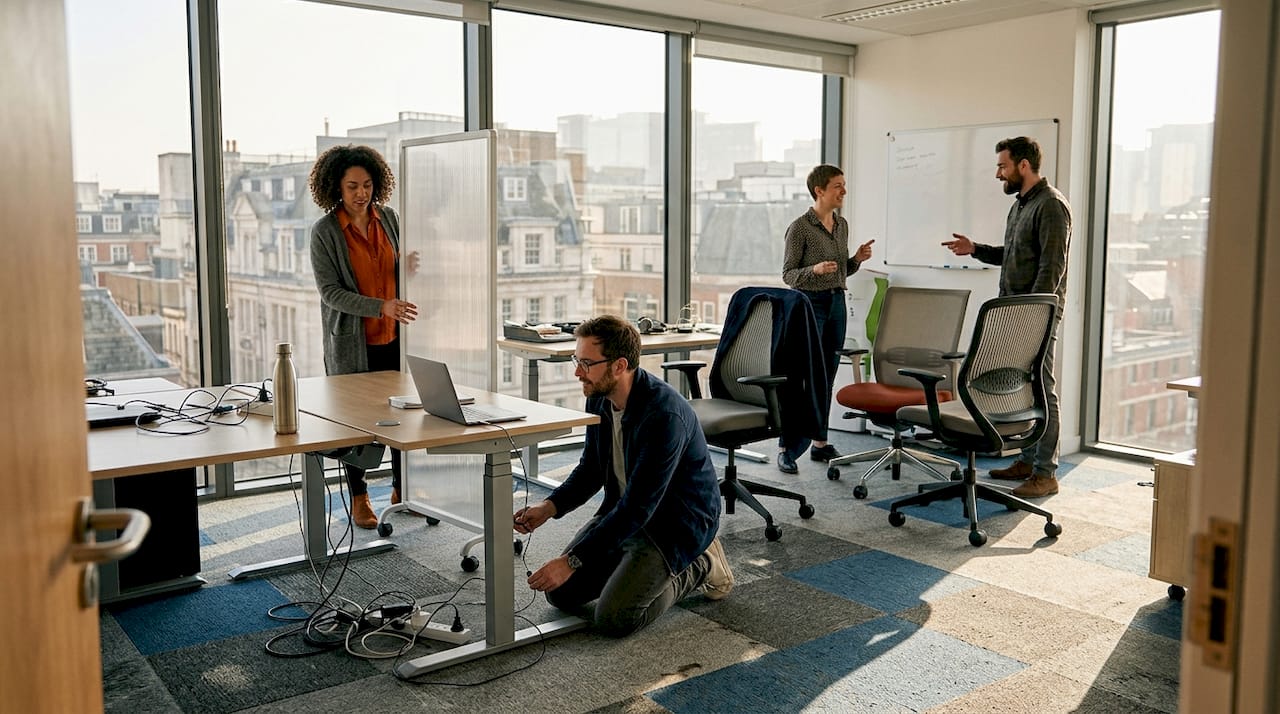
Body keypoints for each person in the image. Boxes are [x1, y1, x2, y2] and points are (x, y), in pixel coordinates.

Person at [512, 315, 733, 637]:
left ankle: (701, 565)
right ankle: (631, 565)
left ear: (619, 366)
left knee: (616, 619)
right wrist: (550, 507)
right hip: (626, 513)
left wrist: (572, 560)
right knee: (560, 595)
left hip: (674, 524)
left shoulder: (663, 415)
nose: (577, 372)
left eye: (586, 363)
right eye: (577, 360)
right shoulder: (599, 397)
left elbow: (639, 508)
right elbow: (591, 469)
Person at [942, 136, 1071, 498]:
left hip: (1035, 316)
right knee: (1023, 386)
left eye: (1003, 166)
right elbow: (1013, 255)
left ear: (1024, 165)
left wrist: (1033, 317)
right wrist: (975, 249)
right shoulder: (1019, 206)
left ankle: (1046, 473)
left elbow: (1051, 269)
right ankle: (1028, 462)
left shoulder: (1051, 206)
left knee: (1042, 389)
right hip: (1016, 311)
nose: (999, 173)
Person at [309, 144, 418, 528]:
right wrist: (380, 306)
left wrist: (409, 266)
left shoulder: (389, 218)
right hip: (352, 344)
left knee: (402, 417)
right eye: (353, 185)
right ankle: (360, 497)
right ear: (336, 186)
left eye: (368, 184)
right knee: (358, 425)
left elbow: (396, 270)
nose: (361, 193)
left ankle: (402, 489)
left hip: (394, 338)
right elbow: (330, 293)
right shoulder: (325, 232)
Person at [780, 164, 875, 474]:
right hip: (809, 306)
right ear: (819, 191)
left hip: (836, 303)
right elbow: (788, 275)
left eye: (844, 185)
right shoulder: (800, 228)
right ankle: (787, 448)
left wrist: (855, 261)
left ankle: (820, 443)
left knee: (827, 374)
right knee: (801, 376)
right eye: (838, 186)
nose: (843, 191)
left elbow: (841, 270)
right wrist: (814, 270)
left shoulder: (842, 225)